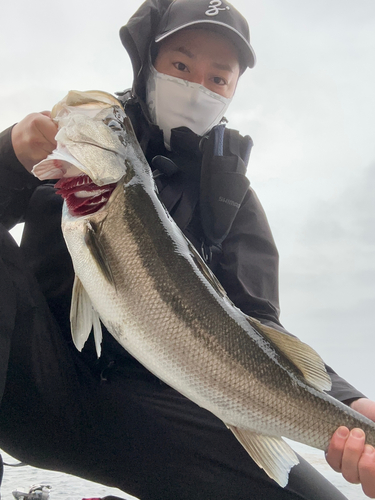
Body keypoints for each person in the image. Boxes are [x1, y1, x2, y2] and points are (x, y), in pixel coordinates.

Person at [0, 0, 375, 498]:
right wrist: (9, 154)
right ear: (147, 63)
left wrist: (351, 404)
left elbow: (259, 322)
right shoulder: (72, 158)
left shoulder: (233, 196)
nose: (197, 85)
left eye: (218, 78)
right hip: (36, 377)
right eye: (180, 65)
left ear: (234, 90)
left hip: (166, 401)